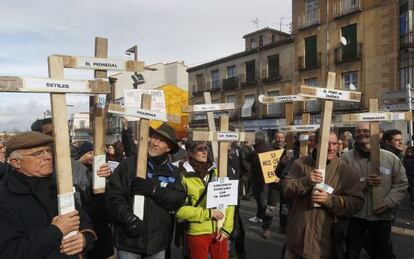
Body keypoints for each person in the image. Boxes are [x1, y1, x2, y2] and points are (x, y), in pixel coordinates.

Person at [0, 131, 96, 258]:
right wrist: (55, 231)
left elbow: (84, 221)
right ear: (16, 162)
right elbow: (8, 253)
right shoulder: (5, 198)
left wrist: (84, 239)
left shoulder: (60, 186)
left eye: (48, 151)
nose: (47, 157)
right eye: (38, 153)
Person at [106, 123, 186, 259]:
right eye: (155, 137)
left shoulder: (173, 172)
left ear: (169, 148)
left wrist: (154, 190)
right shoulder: (129, 164)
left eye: (162, 141)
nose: (155, 142)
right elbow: (113, 195)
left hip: (157, 244)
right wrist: (129, 218)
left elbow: (177, 199)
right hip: (129, 241)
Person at [283, 129, 364, 259]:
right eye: (326, 144)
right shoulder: (300, 164)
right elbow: (286, 189)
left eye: (334, 144)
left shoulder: (346, 172)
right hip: (297, 242)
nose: (331, 148)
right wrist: (306, 181)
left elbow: (357, 203)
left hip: (326, 246)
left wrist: (330, 200)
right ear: (315, 143)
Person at [342, 122, 409, 259]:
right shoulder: (345, 159)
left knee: (382, 254)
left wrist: (387, 202)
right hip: (355, 216)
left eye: (366, 130)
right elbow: (340, 184)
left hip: (381, 216)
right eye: (359, 131)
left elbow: (401, 184)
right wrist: (363, 182)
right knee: (351, 253)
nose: (362, 134)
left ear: (379, 134)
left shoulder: (391, 159)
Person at [176, 140, 234, 259]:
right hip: (198, 232)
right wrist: (208, 213)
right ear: (190, 153)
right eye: (199, 149)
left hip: (220, 230)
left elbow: (229, 201)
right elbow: (179, 210)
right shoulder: (182, 176)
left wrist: (227, 228)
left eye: (205, 148)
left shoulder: (217, 171)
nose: (204, 152)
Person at [77, 142, 114, 259]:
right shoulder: (76, 170)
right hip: (85, 218)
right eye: (89, 153)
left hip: (100, 218)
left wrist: (108, 177)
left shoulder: (99, 169)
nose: (92, 156)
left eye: (94, 153)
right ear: (81, 155)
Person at [247, 131, 274, 239]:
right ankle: (261, 218)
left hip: (261, 180)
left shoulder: (259, 149)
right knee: (266, 202)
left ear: (258, 140)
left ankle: (267, 227)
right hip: (268, 180)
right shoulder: (268, 147)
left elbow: (249, 158)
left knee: (265, 203)